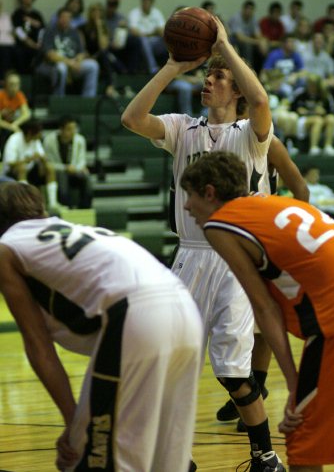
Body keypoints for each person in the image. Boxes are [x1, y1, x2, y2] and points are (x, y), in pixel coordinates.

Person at [121, 17, 286, 472]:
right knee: (172, 363)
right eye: (207, 75)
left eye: (218, 78)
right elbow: (132, 118)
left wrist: (226, 46)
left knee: (233, 370)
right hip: (190, 256)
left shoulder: (250, 138)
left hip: (236, 260)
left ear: (233, 91)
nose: (208, 82)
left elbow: (260, 98)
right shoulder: (182, 128)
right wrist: (174, 66)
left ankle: (265, 455)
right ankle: (177, 457)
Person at [180, 150, 334, 472]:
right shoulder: (276, 203)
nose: (186, 206)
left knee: (303, 436)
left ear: (210, 193)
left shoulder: (221, 224)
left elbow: (264, 307)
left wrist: (292, 382)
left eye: (189, 195)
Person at [0, 181, 202, 472]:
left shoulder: (7, 248)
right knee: (168, 462)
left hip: (136, 314)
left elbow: (39, 347)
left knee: (91, 456)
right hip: (184, 306)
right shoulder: (77, 231)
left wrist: (73, 422)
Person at [217, 135, 310, 432]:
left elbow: (301, 190)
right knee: (249, 320)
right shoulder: (216, 135)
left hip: (259, 235)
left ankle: (256, 384)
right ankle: (249, 388)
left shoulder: (269, 142)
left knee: (263, 317)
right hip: (227, 234)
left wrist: (288, 227)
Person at [35, 7, 99, 97]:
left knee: (93, 65)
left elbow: (81, 52)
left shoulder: (74, 32)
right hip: (53, 65)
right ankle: (59, 99)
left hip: (73, 64)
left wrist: (78, 62)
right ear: (58, 18)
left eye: (68, 17)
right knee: (61, 68)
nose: (66, 20)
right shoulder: (49, 31)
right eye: (63, 17)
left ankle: (88, 99)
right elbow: (49, 54)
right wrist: (69, 63)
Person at [2, 119, 63, 213]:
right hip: (13, 172)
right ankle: (25, 203)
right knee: (22, 168)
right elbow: (10, 163)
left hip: (31, 170)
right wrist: (27, 160)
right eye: (39, 132)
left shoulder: (36, 141)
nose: (41, 134)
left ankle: (53, 203)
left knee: (49, 168)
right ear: (31, 132)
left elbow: (42, 156)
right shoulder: (14, 139)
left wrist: (43, 160)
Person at [274, 74, 334, 156]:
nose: (311, 87)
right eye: (310, 85)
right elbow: (291, 106)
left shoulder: (325, 95)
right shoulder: (300, 93)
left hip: (322, 118)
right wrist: (299, 110)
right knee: (317, 120)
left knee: (331, 119)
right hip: (303, 119)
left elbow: (332, 112)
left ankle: (328, 146)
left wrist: (323, 112)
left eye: (313, 85)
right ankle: (313, 147)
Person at [43, 116, 93, 208]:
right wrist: (65, 168)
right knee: (63, 176)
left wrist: (76, 168)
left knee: (86, 176)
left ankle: (85, 207)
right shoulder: (49, 140)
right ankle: (66, 207)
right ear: (61, 129)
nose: (73, 132)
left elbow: (82, 160)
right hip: (57, 172)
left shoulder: (80, 140)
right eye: (69, 129)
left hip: (75, 171)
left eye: (74, 128)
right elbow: (48, 163)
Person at [79, 3, 122, 98]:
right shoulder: (82, 28)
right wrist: (88, 56)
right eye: (94, 11)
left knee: (105, 55)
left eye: (99, 11)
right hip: (86, 56)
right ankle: (111, 83)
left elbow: (103, 47)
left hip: (100, 56)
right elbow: (81, 47)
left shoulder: (104, 28)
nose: (96, 14)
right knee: (106, 58)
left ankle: (110, 85)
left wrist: (99, 27)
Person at [128, 0, 167, 75]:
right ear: (141, 1)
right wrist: (152, 33)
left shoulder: (157, 13)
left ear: (152, 2)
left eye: (148, 1)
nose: (146, 3)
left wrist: (146, 34)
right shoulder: (134, 13)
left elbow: (162, 31)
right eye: (144, 0)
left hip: (154, 43)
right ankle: (153, 68)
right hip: (140, 43)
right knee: (143, 40)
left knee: (168, 38)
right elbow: (133, 31)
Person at [11, 0, 46, 74]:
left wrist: (39, 43)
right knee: (18, 52)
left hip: (37, 44)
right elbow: (17, 31)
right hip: (22, 44)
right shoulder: (17, 14)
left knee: (42, 52)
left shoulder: (37, 15)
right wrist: (30, 43)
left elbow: (43, 30)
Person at [0, 71, 31, 152]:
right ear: (5, 85)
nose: (15, 87)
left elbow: (26, 114)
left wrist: (15, 124)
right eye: (12, 84)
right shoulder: (1, 95)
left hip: (11, 124)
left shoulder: (19, 95)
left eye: (17, 84)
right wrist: (12, 127)